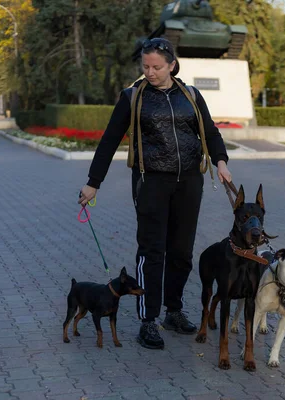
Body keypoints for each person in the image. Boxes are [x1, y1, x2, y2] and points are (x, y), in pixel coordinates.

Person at [78, 37, 232, 350]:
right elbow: (109, 140)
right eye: (145, 66)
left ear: (172, 65)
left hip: (189, 181)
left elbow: (210, 131)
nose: (150, 72)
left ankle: (173, 311)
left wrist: (221, 161)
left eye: (157, 67)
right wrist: (93, 181)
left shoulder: (191, 94)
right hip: (151, 183)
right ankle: (148, 319)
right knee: (152, 251)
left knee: (182, 251)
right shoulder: (132, 96)